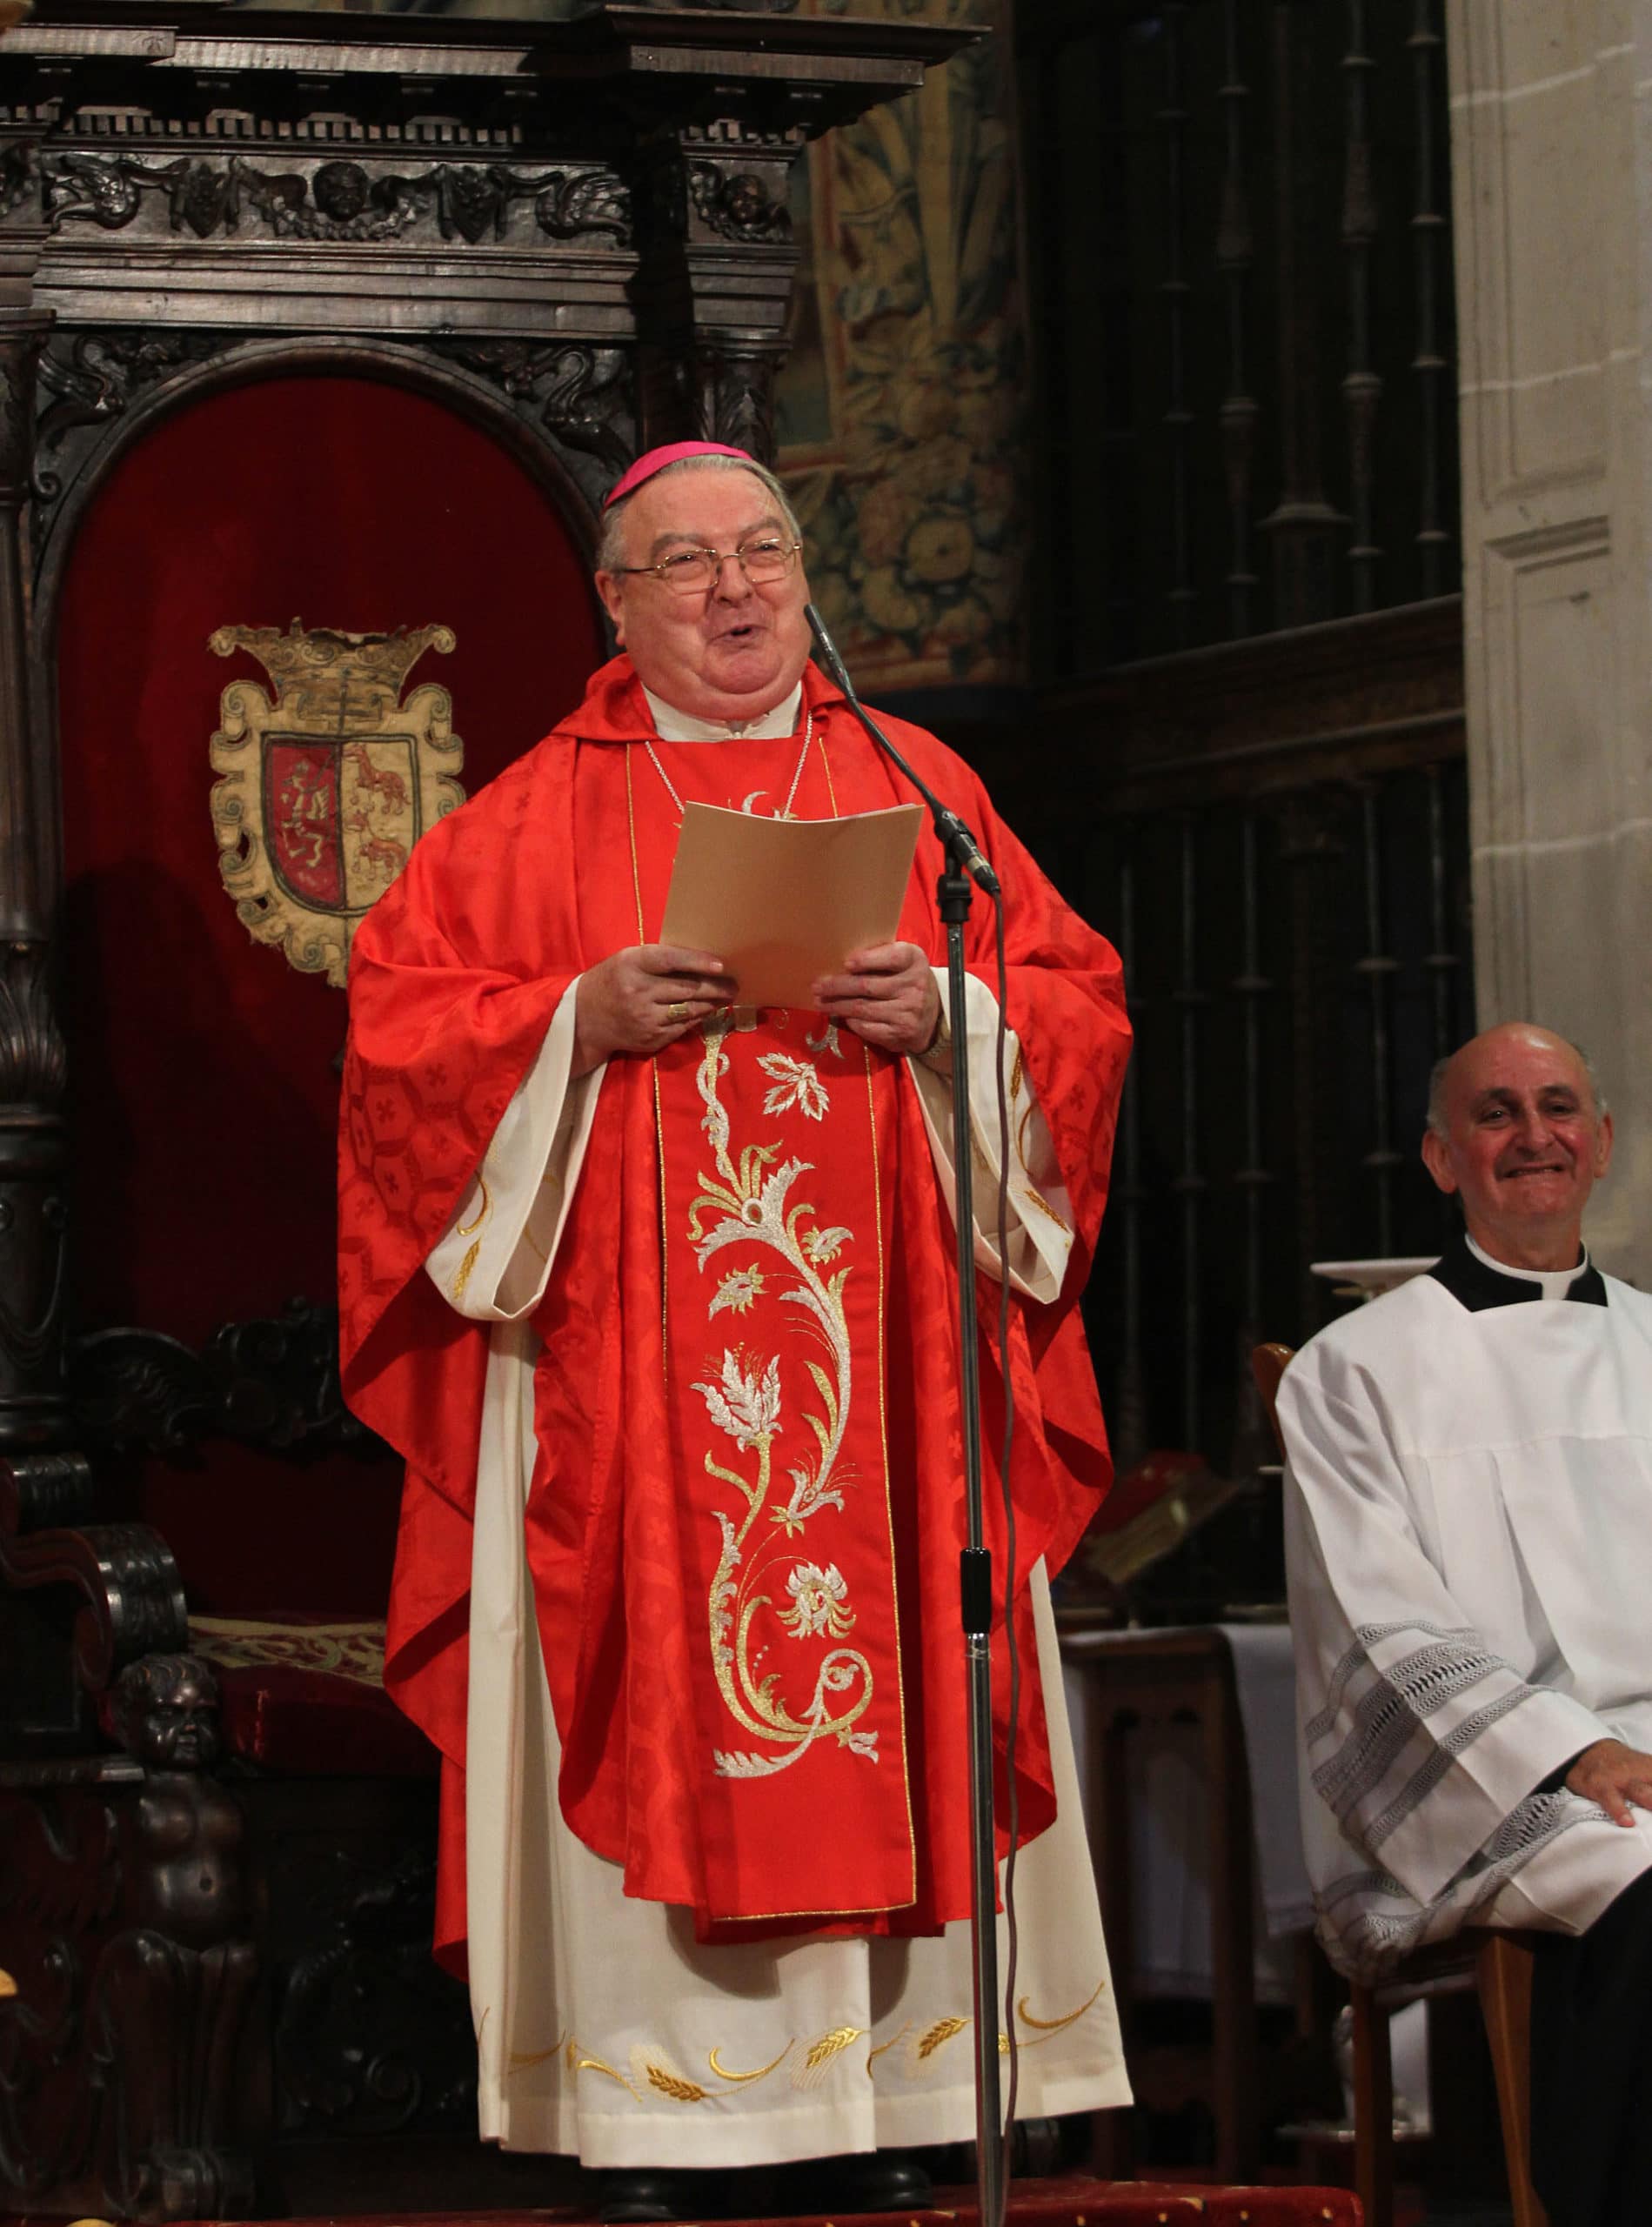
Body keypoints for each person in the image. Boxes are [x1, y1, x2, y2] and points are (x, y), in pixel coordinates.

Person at [338, 442, 1133, 2217]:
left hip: (892, 1398)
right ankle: (666, 2115)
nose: (735, 589)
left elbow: (1074, 1005)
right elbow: (397, 1052)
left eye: (762, 550)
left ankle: (914, 2088)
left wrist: (951, 1016)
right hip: (638, 1420)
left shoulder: (918, 789)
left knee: (910, 1628)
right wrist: (574, 1019)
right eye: (684, 562)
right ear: (614, 604)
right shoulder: (526, 821)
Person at [1279, 1021, 1652, 2227]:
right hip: (1498, 1781)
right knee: (1638, 1867)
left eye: (1557, 1109)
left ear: (1600, 1145)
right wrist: (1568, 1750)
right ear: (1443, 1160)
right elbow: (1374, 1622)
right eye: (1496, 1115)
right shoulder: (1355, 1371)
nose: (1532, 1137)